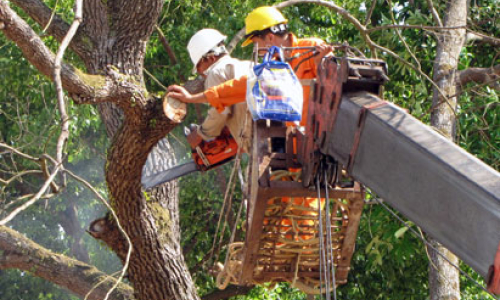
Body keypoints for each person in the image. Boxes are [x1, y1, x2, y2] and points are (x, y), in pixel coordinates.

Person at [167, 6, 334, 127]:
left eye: (256, 43)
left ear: (269, 38)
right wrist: (191, 98)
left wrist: (321, 64)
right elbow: (234, 89)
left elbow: (336, 91)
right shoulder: (272, 69)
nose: (256, 49)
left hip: (325, 141)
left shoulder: (312, 48)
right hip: (299, 152)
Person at [185, 28, 253, 152]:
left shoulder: (215, 73)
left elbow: (220, 112)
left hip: (256, 142)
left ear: (209, 58)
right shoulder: (249, 65)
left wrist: (201, 134)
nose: (201, 73)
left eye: (199, 66)